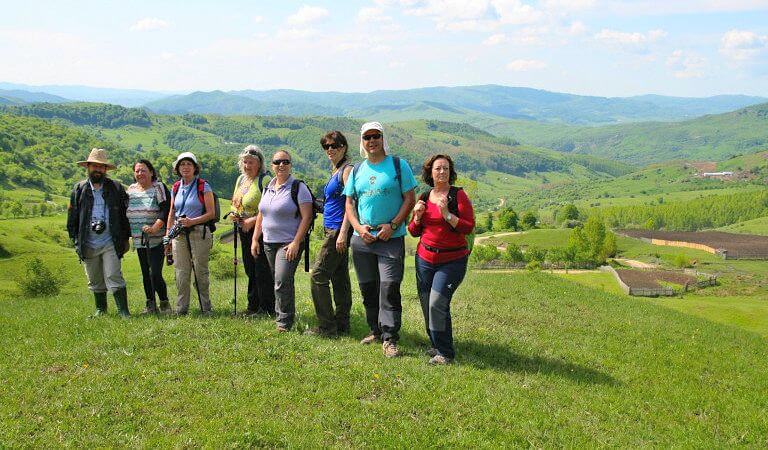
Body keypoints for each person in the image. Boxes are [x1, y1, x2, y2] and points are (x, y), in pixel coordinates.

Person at [344, 122, 417, 358]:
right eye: (367, 137)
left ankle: (390, 337)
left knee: (389, 287)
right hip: (362, 238)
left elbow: (410, 198)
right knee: (368, 288)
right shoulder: (357, 171)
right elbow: (349, 202)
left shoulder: (398, 165)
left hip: (391, 238)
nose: (372, 141)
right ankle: (375, 330)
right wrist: (357, 227)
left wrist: (394, 224)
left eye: (376, 136)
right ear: (362, 142)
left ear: (383, 139)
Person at [408, 154, 475, 364]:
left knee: (437, 303)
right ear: (430, 172)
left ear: (450, 172)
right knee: (427, 302)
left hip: (452, 260)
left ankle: (445, 353)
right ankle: (436, 344)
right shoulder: (425, 196)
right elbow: (413, 231)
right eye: (438, 168)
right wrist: (418, 216)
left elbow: (468, 226)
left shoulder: (458, 196)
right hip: (425, 259)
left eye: (445, 168)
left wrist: (446, 213)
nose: (442, 172)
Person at [251, 150, 313, 332]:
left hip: (289, 242)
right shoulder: (267, 187)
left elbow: (307, 217)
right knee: (278, 280)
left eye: (285, 162)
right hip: (269, 242)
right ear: (271, 165)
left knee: (282, 279)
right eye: (277, 162)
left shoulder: (298, 187)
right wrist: (255, 239)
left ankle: (284, 322)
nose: (281, 165)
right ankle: (282, 315)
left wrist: (296, 242)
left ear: (290, 165)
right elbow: (261, 214)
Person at [67, 148, 131, 317]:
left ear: (105, 170)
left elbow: (124, 216)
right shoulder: (79, 189)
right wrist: (75, 240)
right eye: (95, 166)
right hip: (87, 241)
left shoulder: (116, 187)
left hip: (111, 240)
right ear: (88, 167)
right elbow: (72, 217)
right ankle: (100, 310)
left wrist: (126, 238)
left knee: (113, 275)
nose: (98, 169)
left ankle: (123, 311)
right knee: (94, 278)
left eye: (101, 167)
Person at [308, 131, 353, 336]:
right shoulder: (336, 170)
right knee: (339, 277)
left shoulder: (347, 170)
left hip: (337, 230)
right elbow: (334, 202)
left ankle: (327, 327)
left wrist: (343, 233)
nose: (330, 150)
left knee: (318, 275)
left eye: (334, 146)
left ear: (343, 147)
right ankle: (343, 324)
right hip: (333, 227)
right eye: (326, 146)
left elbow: (350, 204)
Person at [166, 152, 216, 315]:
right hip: (179, 235)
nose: (185, 167)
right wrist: (168, 236)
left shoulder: (203, 186)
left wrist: (192, 221)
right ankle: (181, 308)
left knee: (200, 272)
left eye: (189, 164)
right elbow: (172, 212)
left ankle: (205, 307)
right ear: (177, 168)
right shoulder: (175, 187)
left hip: (199, 233)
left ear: (195, 168)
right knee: (181, 272)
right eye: (182, 164)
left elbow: (211, 213)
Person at [229, 145, 275, 316]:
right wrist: (235, 214)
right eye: (245, 162)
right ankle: (253, 305)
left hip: (262, 230)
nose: (247, 166)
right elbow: (236, 202)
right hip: (243, 229)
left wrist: (252, 221)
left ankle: (267, 307)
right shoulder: (241, 179)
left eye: (251, 162)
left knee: (261, 269)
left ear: (259, 163)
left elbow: (270, 208)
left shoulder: (265, 180)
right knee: (249, 267)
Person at [126, 159, 171, 314]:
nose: (140, 173)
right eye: (137, 171)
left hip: (156, 239)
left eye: (143, 170)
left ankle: (164, 302)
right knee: (146, 273)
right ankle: (150, 304)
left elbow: (166, 210)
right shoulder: (131, 190)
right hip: (139, 240)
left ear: (151, 172)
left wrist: (154, 228)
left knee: (155, 273)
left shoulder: (158, 187)